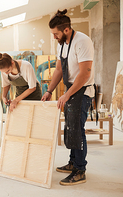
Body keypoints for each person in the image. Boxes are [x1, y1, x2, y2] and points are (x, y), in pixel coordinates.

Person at [41, 9, 95, 186]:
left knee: (77, 130)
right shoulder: (62, 44)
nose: (54, 37)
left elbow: (85, 74)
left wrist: (67, 94)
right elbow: (59, 70)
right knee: (70, 128)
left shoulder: (82, 41)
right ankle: (73, 162)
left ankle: (80, 170)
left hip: (82, 90)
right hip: (71, 89)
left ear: (66, 30)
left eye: (55, 34)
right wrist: (49, 91)